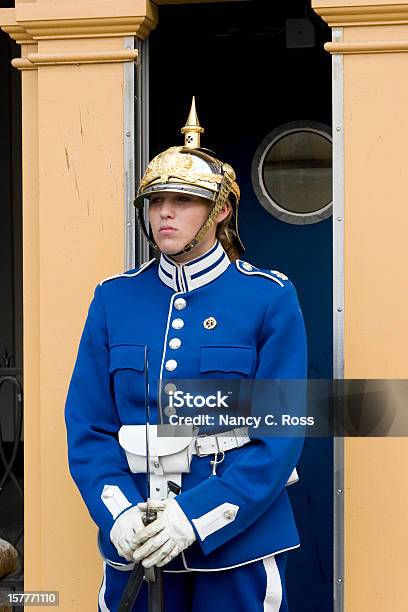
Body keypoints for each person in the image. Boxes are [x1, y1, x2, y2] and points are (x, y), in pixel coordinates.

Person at [65, 98, 307, 612]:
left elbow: (279, 437)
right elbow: (88, 426)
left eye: (183, 199)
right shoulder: (114, 297)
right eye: (155, 202)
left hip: (237, 541)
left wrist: (194, 517)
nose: (165, 213)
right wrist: (119, 514)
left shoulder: (268, 298)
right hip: (137, 541)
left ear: (220, 211)